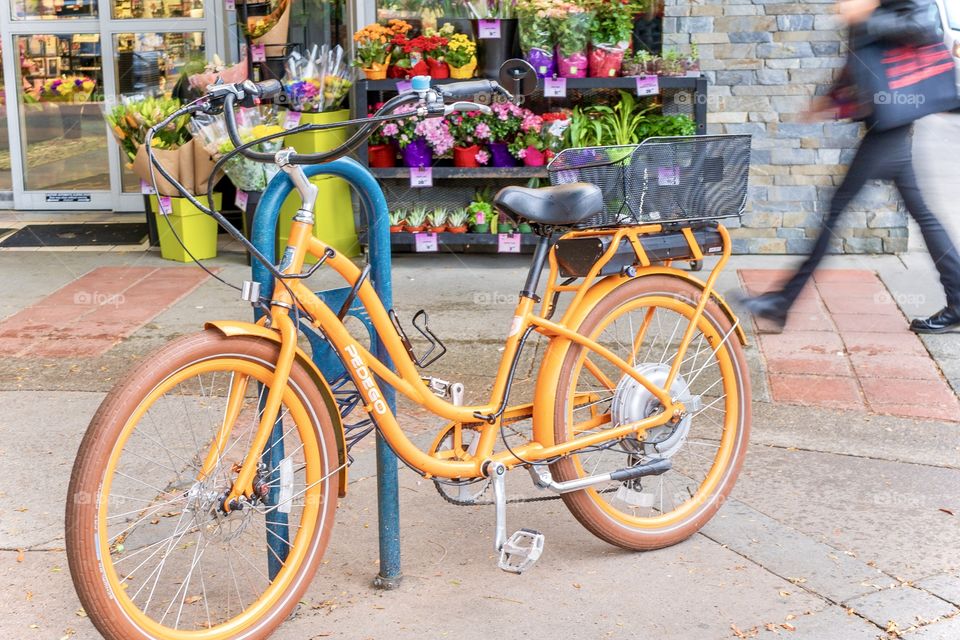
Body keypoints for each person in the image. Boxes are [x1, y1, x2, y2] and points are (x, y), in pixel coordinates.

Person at [740, 0, 960, 334]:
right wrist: (829, 99)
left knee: (835, 209)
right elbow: (862, 57)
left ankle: (781, 303)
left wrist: (869, 15)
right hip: (887, 118)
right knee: (922, 213)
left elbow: (922, 23)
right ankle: (959, 302)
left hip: (893, 121)